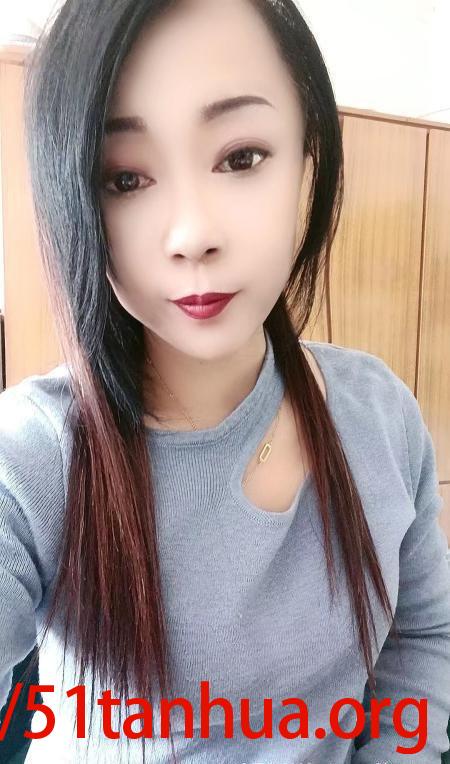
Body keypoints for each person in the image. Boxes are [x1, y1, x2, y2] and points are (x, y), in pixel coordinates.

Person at [0, 0, 449, 761]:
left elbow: (424, 635)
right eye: (125, 178)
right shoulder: (33, 458)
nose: (193, 234)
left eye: (241, 158)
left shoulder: (379, 414)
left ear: (306, 155)